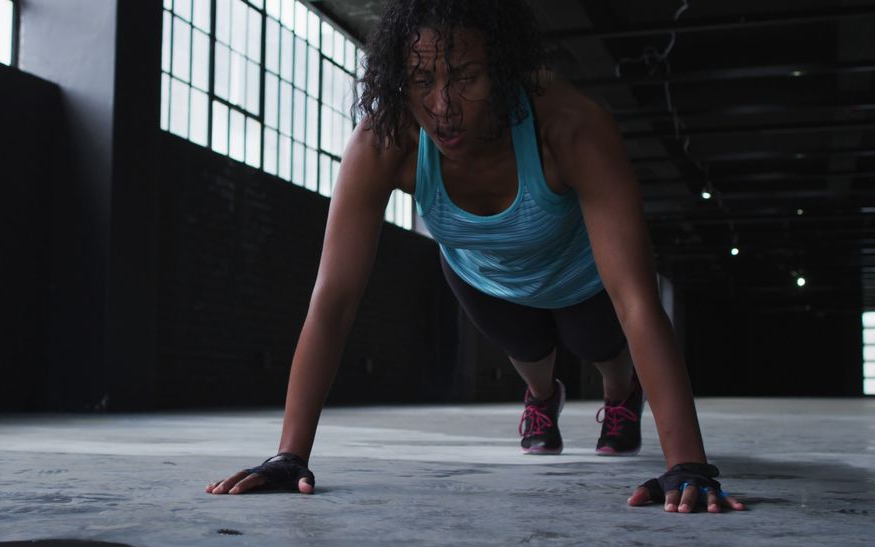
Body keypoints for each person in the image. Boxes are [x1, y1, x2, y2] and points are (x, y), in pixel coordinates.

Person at [206, 0, 745, 514]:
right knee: (530, 350)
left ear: (504, 70)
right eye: (422, 82)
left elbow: (636, 300)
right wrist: (289, 456)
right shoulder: (385, 140)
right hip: (485, 277)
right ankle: (541, 398)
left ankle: (620, 393)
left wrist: (687, 465)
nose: (442, 107)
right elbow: (334, 299)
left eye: (465, 78)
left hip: (583, 278)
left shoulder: (570, 127)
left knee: (595, 342)